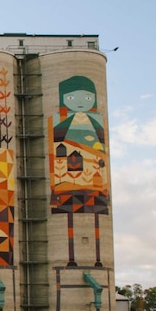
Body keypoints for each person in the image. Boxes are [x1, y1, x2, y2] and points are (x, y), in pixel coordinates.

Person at [49, 75, 109, 267]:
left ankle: (97, 259)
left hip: (93, 180)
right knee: (69, 220)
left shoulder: (97, 123)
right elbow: (57, 151)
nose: (81, 102)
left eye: (87, 97)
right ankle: (71, 258)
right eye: (73, 98)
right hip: (66, 179)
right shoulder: (59, 123)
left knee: (96, 219)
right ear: (64, 99)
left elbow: (100, 152)